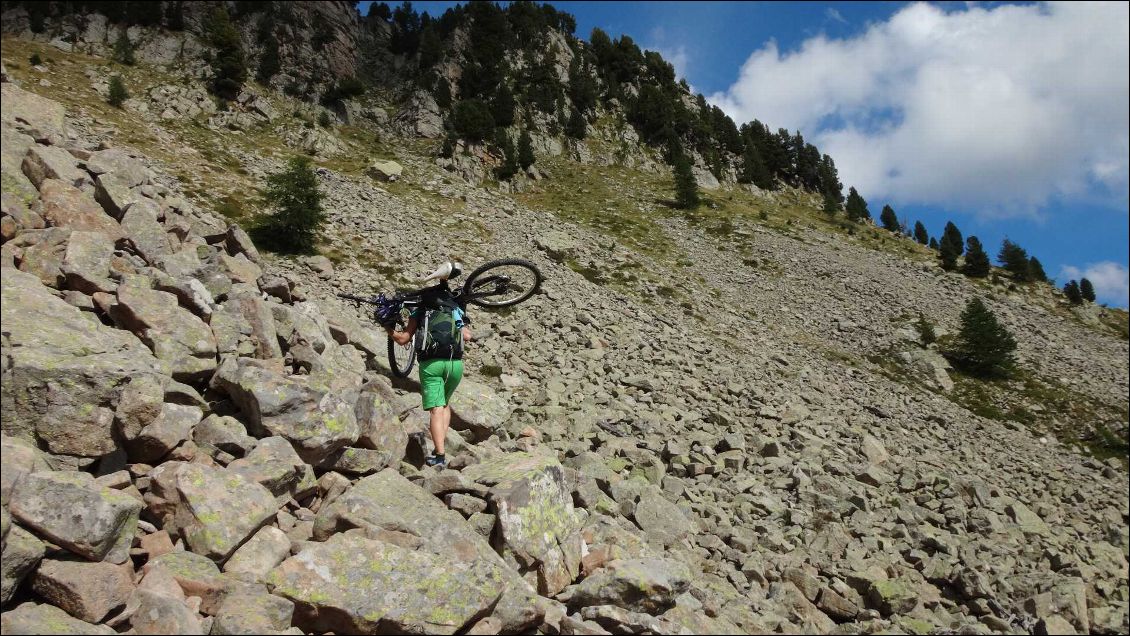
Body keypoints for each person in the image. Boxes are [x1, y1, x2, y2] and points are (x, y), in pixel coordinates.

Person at [386, 268, 472, 468]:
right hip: (455, 364)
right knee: (444, 404)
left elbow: (403, 339)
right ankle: (440, 447)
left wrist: (388, 327)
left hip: (431, 364)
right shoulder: (453, 308)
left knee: (435, 409)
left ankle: (440, 455)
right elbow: (467, 336)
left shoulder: (420, 310)